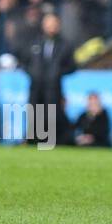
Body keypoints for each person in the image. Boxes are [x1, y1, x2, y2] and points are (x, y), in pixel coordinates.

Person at [24, 11, 75, 142]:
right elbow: (25, 62)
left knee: (52, 115)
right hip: (36, 87)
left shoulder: (65, 45)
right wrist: (32, 72)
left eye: (54, 24)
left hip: (53, 88)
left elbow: (72, 66)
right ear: (43, 25)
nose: (51, 27)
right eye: (48, 24)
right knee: (34, 113)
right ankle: (32, 140)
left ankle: (51, 140)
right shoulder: (33, 43)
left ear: (58, 26)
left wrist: (57, 72)